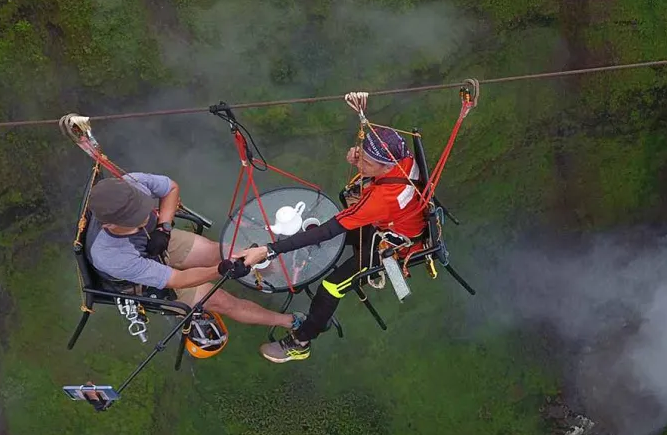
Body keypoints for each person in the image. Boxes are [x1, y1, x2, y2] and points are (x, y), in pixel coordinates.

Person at [233, 128, 425, 363]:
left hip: (389, 247)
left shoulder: (381, 200)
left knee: (331, 286)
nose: (360, 163)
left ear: (386, 167)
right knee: (328, 234)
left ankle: (301, 342)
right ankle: (293, 260)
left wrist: (269, 249)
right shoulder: (400, 154)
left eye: (367, 162)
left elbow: (330, 229)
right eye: (360, 155)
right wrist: (362, 159)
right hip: (394, 222)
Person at [87, 172, 301, 332]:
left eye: (143, 209)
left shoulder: (131, 184)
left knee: (224, 251)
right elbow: (178, 279)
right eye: (135, 219)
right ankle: (289, 321)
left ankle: (279, 274)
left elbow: (170, 188)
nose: (143, 217)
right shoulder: (110, 256)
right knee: (222, 300)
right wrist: (220, 270)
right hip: (142, 280)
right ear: (107, 225)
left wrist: (164, 227)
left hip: (156, 238)